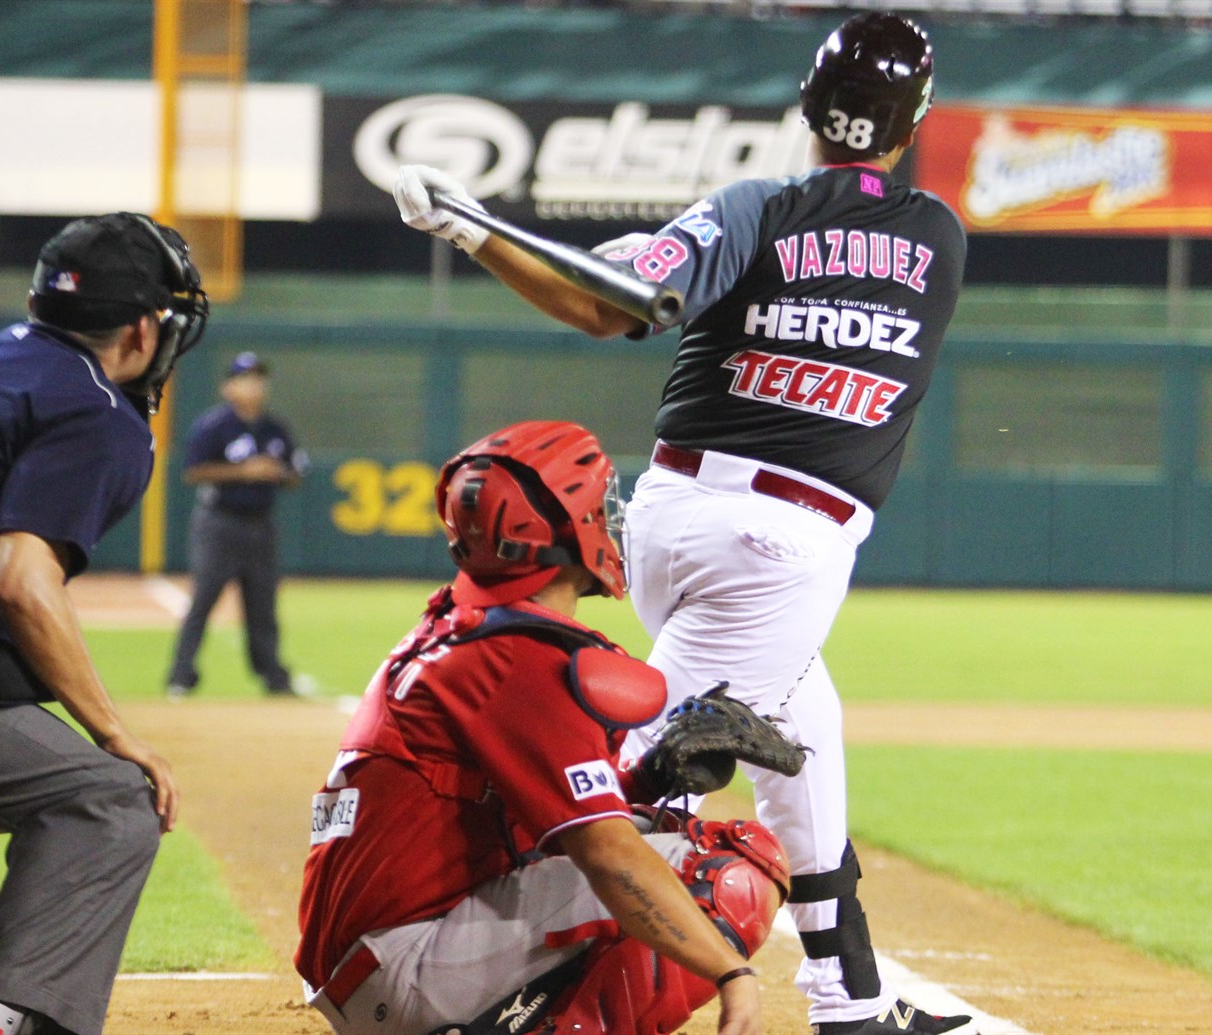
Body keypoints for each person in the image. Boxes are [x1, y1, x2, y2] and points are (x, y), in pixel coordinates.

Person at [391, 14, 970, 1034]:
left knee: (805, 737)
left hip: (671, 511)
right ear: (913, 119)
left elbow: (612, 303)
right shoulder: (937, 236)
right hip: (780, 545)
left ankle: (851, 1003)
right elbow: (638, 292)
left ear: (807, 106)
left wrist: (473, 229)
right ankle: (476, 983)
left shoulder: (757, 209)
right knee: (648, 779)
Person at [296, 420, 795, 1035]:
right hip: (403, 969)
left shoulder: (467, 625)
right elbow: (604, 855)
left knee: (650, 830)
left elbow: (526, 811)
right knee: (729, 874)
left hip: (376, 956)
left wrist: (645, 776)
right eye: (599, 506)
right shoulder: (519, 662)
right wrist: (731, 975)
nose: (611, 521)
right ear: (564, 530)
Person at [0, 212, 208, 1035]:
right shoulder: (95, 408)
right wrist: (114, 729)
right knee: (111, 800)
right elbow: (22, 578)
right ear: (143, 328)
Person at [164, 350, 308, 698]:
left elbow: (295, 471)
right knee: (203, 600)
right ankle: (181, 675)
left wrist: (280, 473)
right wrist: (244, 472)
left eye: (258, 378)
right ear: (228, 387)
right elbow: (193, 471)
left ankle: (273, 675)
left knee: (262, 604)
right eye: (244, 378)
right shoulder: (214, 426)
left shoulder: (275, 428)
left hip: (261, 524)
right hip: (219, 523)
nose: (253, 385)